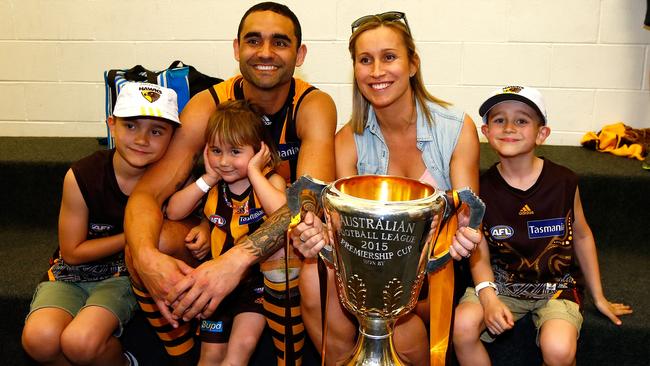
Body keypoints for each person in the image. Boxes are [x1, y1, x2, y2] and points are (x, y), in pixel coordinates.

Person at [123, 2, 336, 364]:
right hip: (220, 230)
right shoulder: (209, 105)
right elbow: (147, 193)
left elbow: (307, 207)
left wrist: (236, 261)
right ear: (237, 49)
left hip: (277, 243)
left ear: (299, 54)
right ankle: (185, 355)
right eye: (254, 41)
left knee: (297, 241)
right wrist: (145, 258)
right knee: (143, 243)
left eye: (279, 42)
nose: (265, 52)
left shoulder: (313, 104)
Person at [291, 11, 482, 366]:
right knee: (312, 277)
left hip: (435, 274)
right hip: (371, 272)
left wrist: (468, 236)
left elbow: (468, 219)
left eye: (389, 57)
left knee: (406, 333)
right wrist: (314, 233)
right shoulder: (347, 140)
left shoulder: (456, 128)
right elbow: (341, 231)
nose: (377, 71)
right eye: (365, 60)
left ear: (413, 64)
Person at [452, 86, 633, 366]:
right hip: (500, 284)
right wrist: (487, 299)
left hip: (556, 286)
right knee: (463, 327)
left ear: (541, 134)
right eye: (499, 120)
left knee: (558, 349)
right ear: (486, 132)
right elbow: (479, 251)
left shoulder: (563, 181)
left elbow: (583, 236)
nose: (509, 127)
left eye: (522, 120)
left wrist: (599, 296)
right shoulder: (480, 188)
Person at [21, 82, 180, 366]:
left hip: (124, 275)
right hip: (72, 272)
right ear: (112, 124)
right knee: (39, 339)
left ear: (173, 137)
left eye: (156, 131)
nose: (142, 139)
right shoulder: (83, 175)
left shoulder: (172, 179)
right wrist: (136, 234)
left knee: (81, 341)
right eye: (131, 126)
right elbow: (72, 252)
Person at [165, 100, 286, 366]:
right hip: (215, 285)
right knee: (209, 357)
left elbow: (284, 214)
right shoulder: (213, 187)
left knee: (238, 352)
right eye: (216, 150)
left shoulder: (269, 182)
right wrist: (207, 179)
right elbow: (173, 211)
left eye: (235, 152)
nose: (224, 161)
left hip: (256, 286)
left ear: (260, 151)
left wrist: (254, 172)